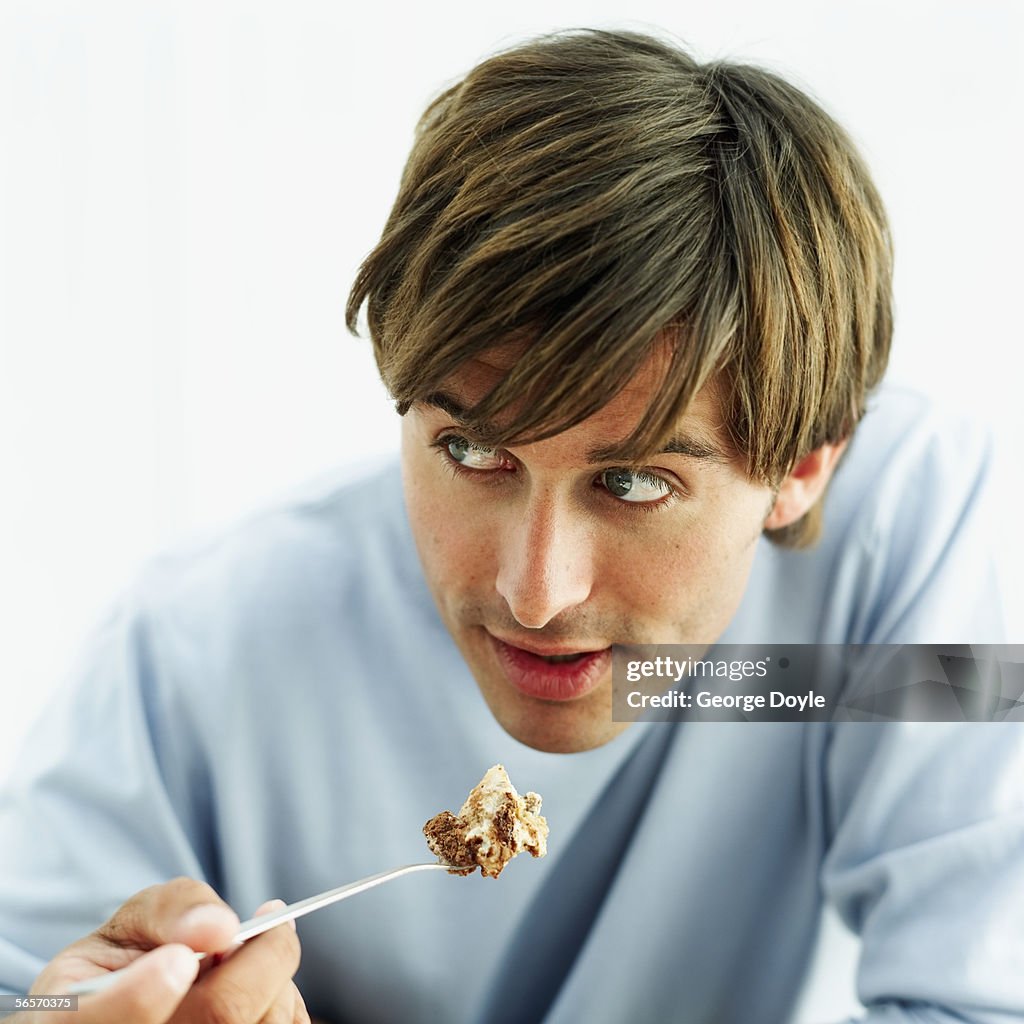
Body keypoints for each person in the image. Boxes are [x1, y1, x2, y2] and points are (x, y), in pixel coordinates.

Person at [1, 27, 1020, 1024]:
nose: (535, 593)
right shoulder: (197, 643)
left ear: (803, 465)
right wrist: (54, 1012)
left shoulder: (910, 536)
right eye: (475, 454)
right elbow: (35, 988)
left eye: (630, 484)